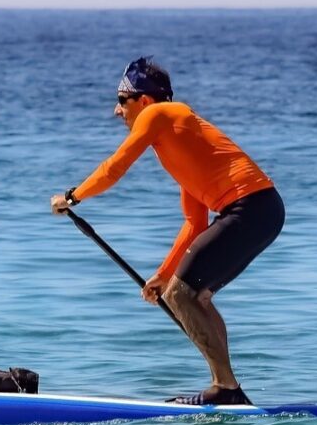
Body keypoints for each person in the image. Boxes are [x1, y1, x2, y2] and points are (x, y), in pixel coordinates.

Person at [50, 57, 284, 405]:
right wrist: (162, 274)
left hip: (250, 208)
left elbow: (115, 167)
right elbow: (194, 224)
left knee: (181, 296)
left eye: (122, 100)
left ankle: (225, 387)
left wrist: (72, 196)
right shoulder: (179, 141)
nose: (117, 112)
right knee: (195, 296)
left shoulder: (159, 114)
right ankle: (228, 388)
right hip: (264, 212)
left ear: (143, 100)